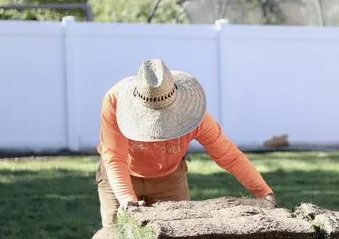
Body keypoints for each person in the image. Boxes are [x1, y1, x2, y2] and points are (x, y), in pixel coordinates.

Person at [96, 58, 275, 226]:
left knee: (178, 235)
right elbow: (115, 157)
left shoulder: (195, 115)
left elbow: (229, 156)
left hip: (170, 175)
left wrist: (263, 192)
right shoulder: (115, 102)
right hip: (121, 173)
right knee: (117, 234)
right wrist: (127, 200)